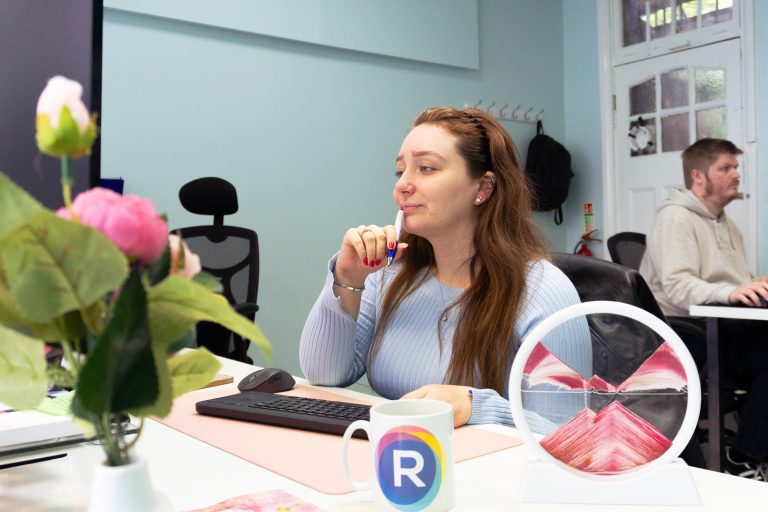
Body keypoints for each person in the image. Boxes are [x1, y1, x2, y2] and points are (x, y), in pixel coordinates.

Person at [300, 107, 590, 433]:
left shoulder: (544, 289)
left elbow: (567, 431)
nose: (403, 186)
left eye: (426, 168)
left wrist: (475, 406)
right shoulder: (389, 274)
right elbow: (324, 376)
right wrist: (348, 280)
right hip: (400, 458)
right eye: (400, 172)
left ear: (483, 188)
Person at [640, 138, 768, 480]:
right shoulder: (676, 219)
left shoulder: (724, 222)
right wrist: (733, 292)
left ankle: (751, 446)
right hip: (687, 332)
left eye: (736, 167)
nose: (736, 174)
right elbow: (678, 286)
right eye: (726, 168)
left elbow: (730, 282)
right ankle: (743, 457)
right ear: (698, 176)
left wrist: (754, 284)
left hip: (723, 323)